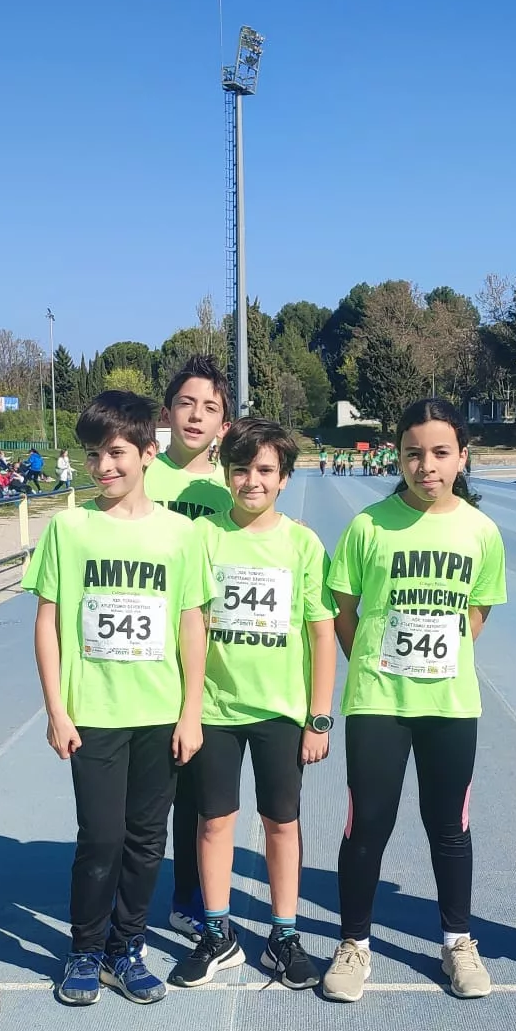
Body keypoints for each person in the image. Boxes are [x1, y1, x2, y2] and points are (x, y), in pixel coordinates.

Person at [22, 390, 212, 1007]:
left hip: (159, 714)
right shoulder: (69, 529)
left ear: (147, 456)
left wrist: (190, 712)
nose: (103, 466)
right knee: (99, 837)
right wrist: (56, 707)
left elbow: (191, 624)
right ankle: (85, 946)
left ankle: (125, 948)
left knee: (145, 840)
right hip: (93, 715)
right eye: (93, 455)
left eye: (117, 453)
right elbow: (47, 621)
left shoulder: (181, 535)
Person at [320, 398, 506, 1004]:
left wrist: (434, 662)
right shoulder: (369, 527)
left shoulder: (480, 532)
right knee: (366, 825)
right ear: (397, 457)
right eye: (413, 453)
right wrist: (377, 664)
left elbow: (475, 613)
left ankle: (457, 941)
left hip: (450, 705)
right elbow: (343, 612)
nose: (426, 465)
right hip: (377, 701)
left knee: (449, 825)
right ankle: (354, 945)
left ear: (461, 457)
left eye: (440, 453)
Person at [172, 416, 337, 991]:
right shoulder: (203, 537)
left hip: (282, 712)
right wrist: (190, 710)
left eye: (265, 470)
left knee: (281, 824)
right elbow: (190, 620)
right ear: (226, 473)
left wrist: (318, 717)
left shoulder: (302, 543)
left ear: (284, 477)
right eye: (241, 469)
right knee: (213, 822)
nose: (251, 481)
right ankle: (216, 934)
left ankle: (283, 935)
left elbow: (321, 633)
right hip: (216, 709)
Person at [143, 354, 234, 936]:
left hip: (211, 650)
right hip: (147, 652)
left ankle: (193, 895)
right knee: (157, 790)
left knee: (203, 787)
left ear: (224, 425)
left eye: (210, 408)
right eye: (186, 403)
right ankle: (145, 899)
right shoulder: (141, 476)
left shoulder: (234, 483)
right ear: (167, 412)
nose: (196, 416)